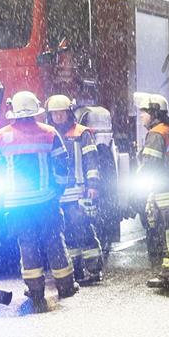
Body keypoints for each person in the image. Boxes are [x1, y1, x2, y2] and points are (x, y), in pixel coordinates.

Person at [0, 91, 77, 312]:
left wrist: (2, 195)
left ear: (14, 111)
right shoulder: (49, 133)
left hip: (16, 204)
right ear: (36, 110)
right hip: (46, 201)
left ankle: (35, 289)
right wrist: (59, 188)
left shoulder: (0, 136)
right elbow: (61, 164)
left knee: (27, 244)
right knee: (54, 241)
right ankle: (65, 285)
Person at [46, 95, 104, 285]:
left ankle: (94, 270)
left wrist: (93, 185)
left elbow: (92, 161)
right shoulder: (50, 134)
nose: (58, 117)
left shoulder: (81, 133)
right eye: (54, 114)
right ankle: (76, 272)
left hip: (78, 191)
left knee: (84, 231)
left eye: (61, 113)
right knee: (68, 235)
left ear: (69, 112)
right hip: (61, 193)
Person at [135, 92, 169, 289]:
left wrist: (138, 188)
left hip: (165, 194)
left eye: (145, 112)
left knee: (168, 233)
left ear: (155, 113)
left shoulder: (156, 134)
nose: (141, 115)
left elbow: (150, 165)